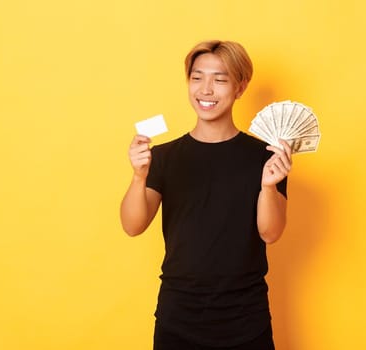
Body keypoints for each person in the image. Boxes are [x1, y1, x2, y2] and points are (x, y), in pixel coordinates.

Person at [119, 40, 292, 350]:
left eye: (220, 79)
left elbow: (271, 232)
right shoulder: (164, 156)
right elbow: (133, 225)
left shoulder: (266, 158)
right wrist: (138, 175)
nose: (206, 89)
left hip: (246, 319)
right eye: (197, 77)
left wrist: (268, 186)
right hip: (178, 318)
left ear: (241, 87)